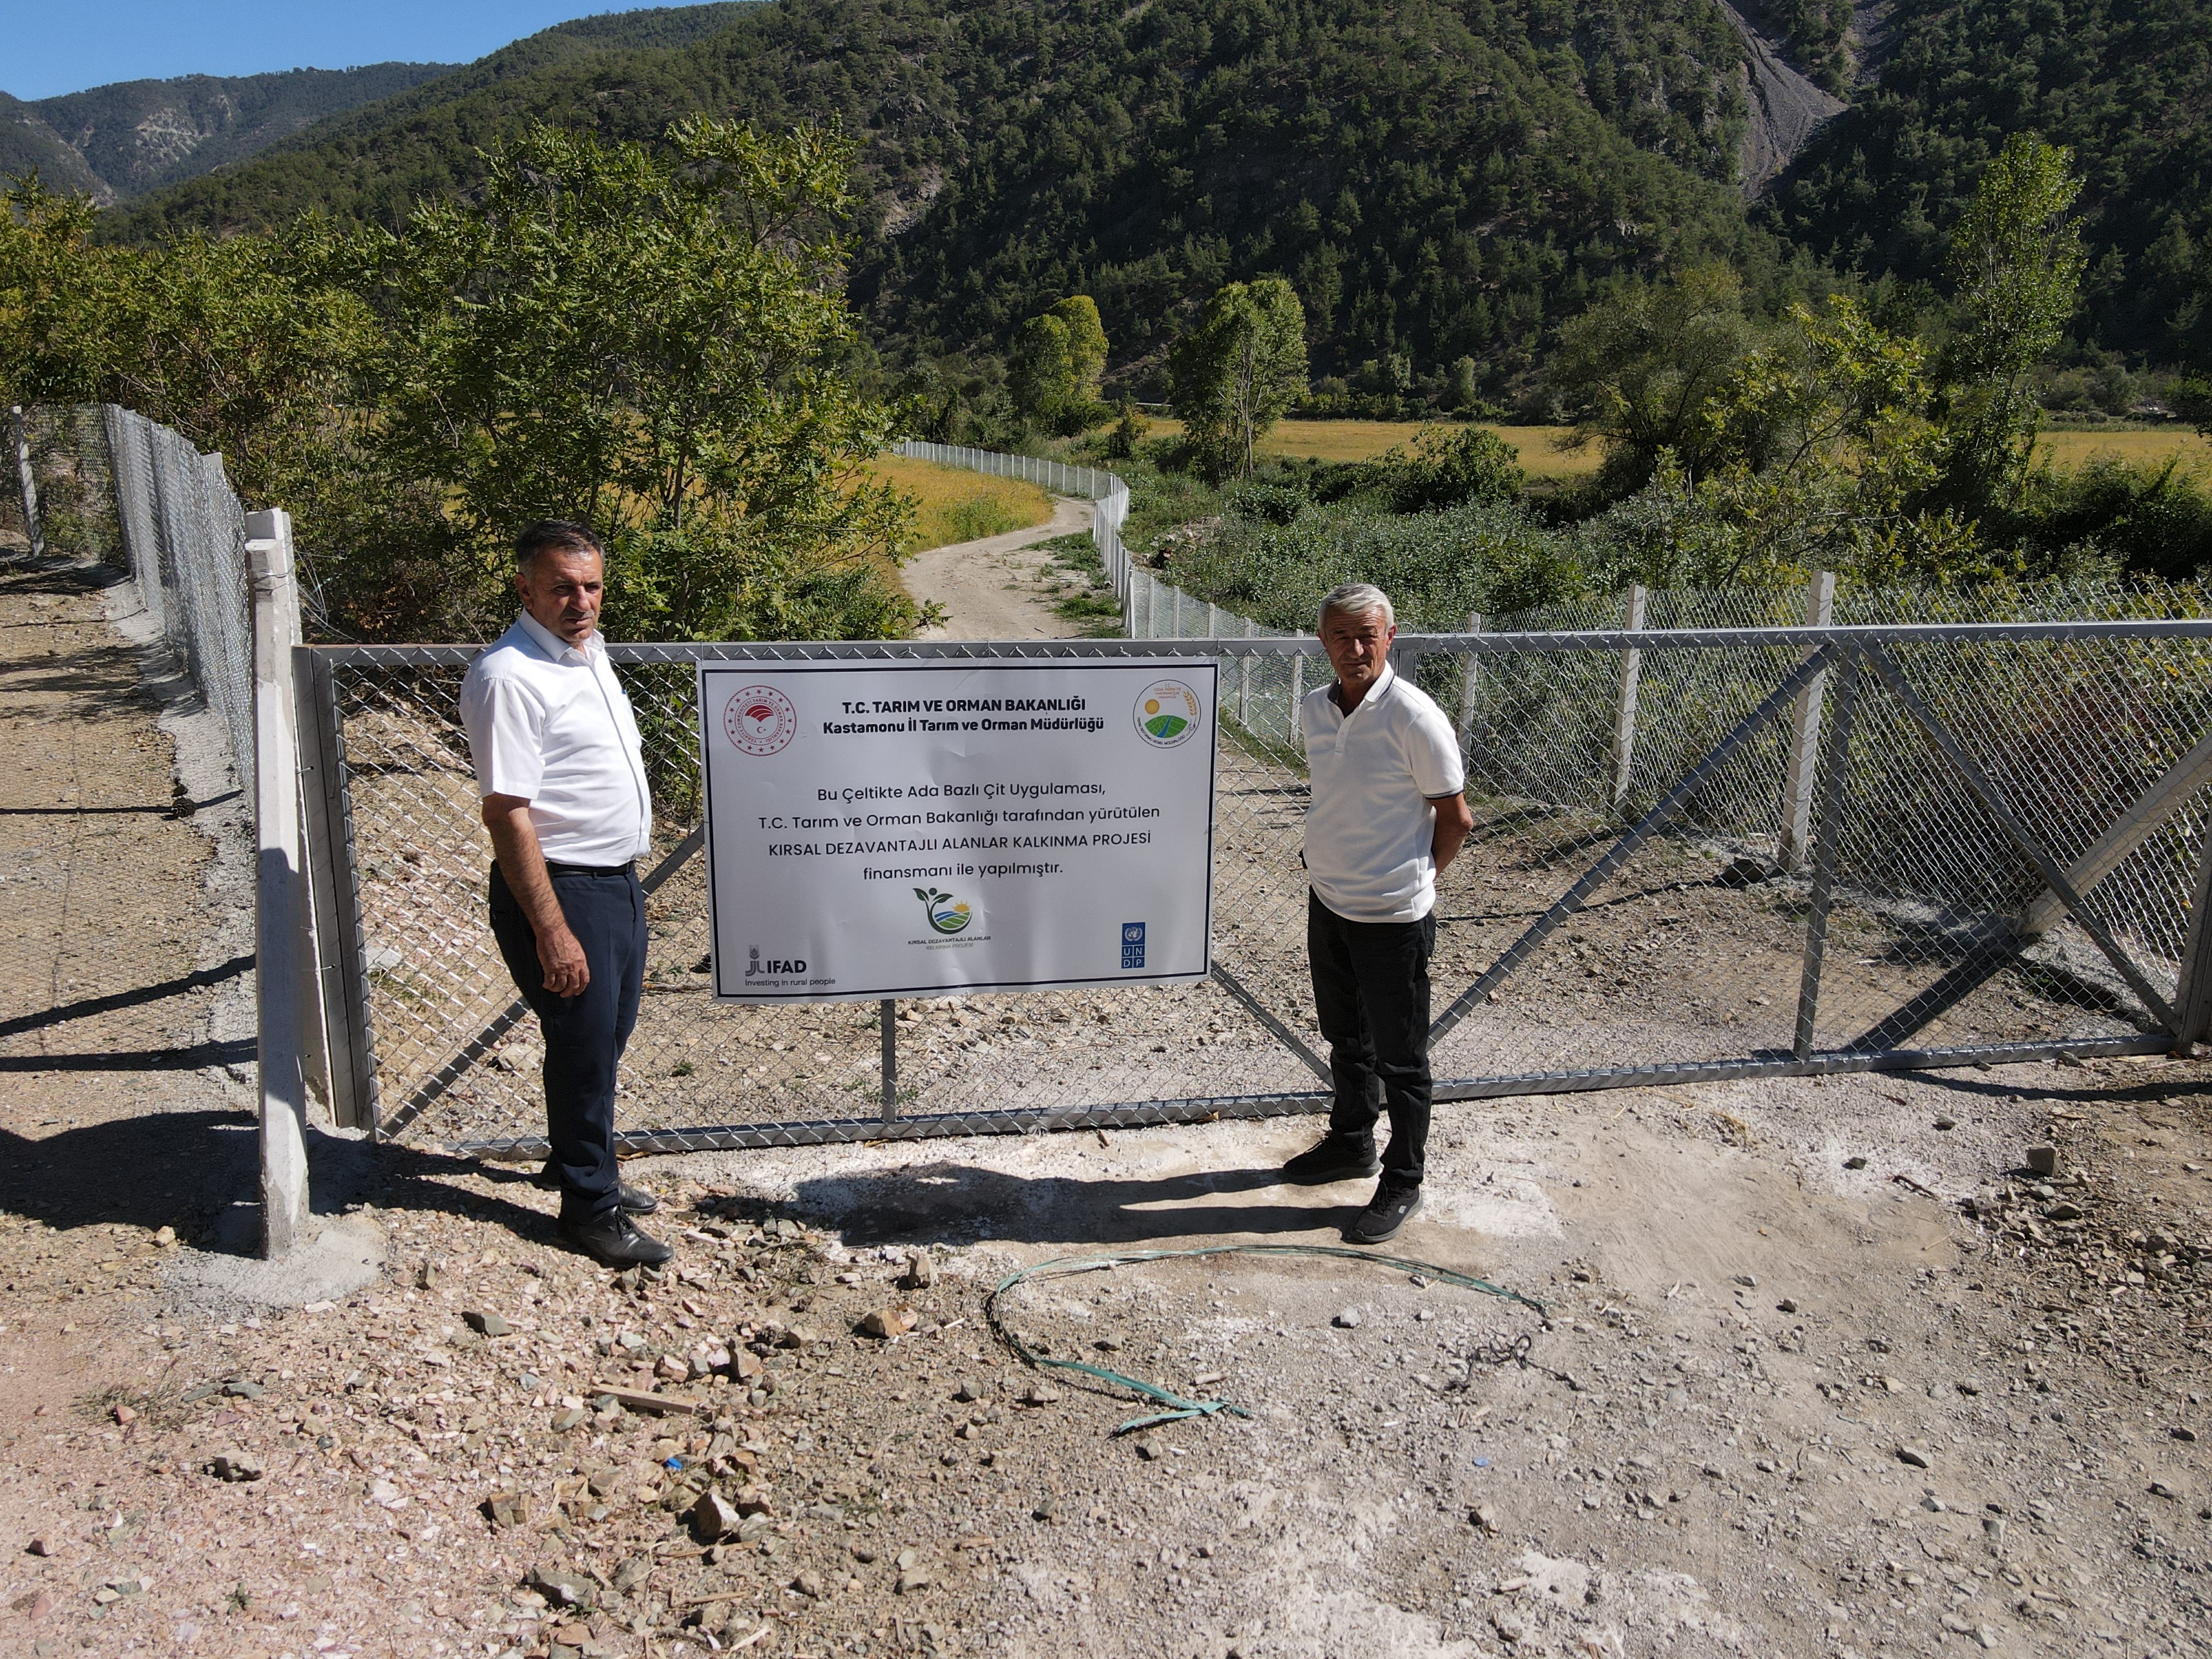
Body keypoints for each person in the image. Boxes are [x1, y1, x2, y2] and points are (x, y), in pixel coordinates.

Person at [459, 520, 672, 1267]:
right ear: (524, 590)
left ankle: (577, 1162)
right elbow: (507, 811)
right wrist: (552, 929)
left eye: (591, 586)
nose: (580, 601)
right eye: (561, 587)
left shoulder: (584, 654)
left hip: (614, 880)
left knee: (605, 1038)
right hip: (563, 886)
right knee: (583, 1050)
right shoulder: (509, 675)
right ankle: (589, 1207)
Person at [1280, 582, 1473, 1244]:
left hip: (1391, 917)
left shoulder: (1415, 717)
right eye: (1341, 635)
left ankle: (1402, 1179)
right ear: (1322, 641)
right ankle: (1351, 1142)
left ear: (1391, 637)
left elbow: (1456, 819)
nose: (1355, 648)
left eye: (1368, 635)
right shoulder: (1314, 708)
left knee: (1402, 1058)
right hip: (1329, 901)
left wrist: (1413, 880)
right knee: (1345, 1039)